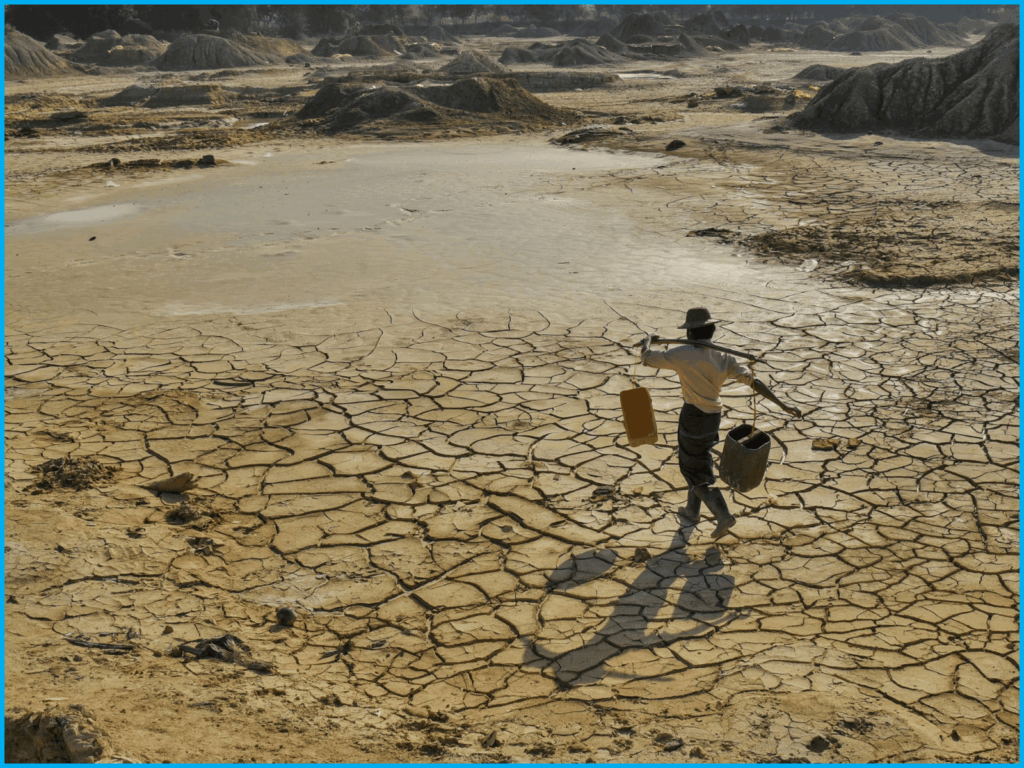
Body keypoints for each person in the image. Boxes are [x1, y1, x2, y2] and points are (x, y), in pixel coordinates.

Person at [640, 307, 802, 539]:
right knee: (698, 460)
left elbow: (647, 359)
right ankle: (692, 511)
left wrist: (647, 342)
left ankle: (723, 514)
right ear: (712, 331)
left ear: (689, 334)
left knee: (691, 466)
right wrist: (782, 405)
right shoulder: (725, 357)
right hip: (713, 417)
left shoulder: (681, 354)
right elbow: (753, 382)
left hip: (693, 415)